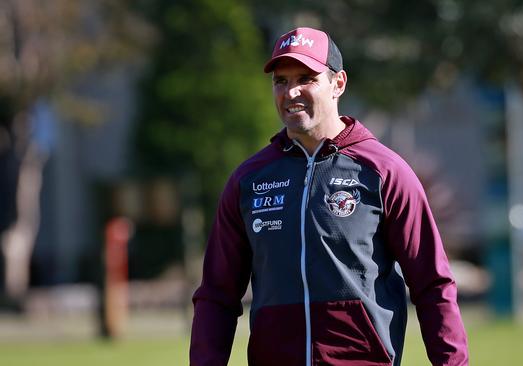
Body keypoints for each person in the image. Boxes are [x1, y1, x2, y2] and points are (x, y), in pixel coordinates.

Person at [190, 27, 469, 366]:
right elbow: (216, 295)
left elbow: (432, 284)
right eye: (281, 81)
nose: (291, 92)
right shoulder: (248, 180)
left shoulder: (385, 171)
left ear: (338, 83)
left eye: (306, 78)